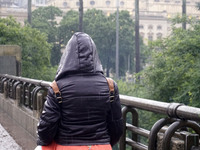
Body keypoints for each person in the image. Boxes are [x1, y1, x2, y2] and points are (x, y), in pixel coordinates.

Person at [36, 32, 123, 150]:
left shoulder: (57, 88)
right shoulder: (110, 86)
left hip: (66, 146)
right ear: (94, 54)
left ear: (67, 56)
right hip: (101, 146)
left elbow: (46, 128)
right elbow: (117, 127)